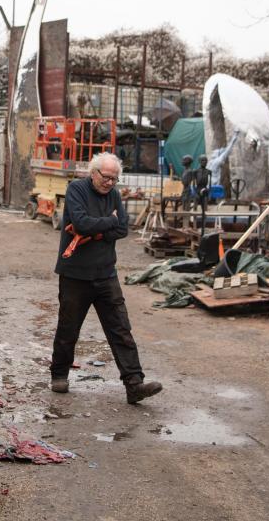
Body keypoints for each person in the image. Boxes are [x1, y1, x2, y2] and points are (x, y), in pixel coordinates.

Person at [50, 152, 163, 404]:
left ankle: (134, 384)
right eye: (106, 177)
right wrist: (106, 224)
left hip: (106, 275)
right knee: (68, 329)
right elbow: (80, 223)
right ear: (93, 173)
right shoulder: (76, 190)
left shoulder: (113, 195)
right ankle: (59, 375)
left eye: (115, 178)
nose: (110, 183)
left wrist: (97, 229)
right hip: (75, 275)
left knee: (121, 330)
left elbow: (123, 228)